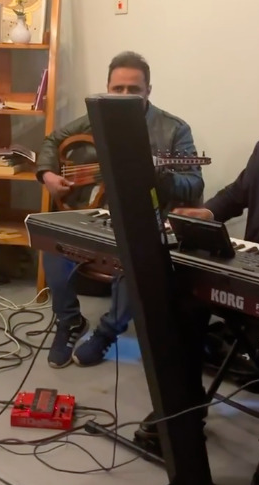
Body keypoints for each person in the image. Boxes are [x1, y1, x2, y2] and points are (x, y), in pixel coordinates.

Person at [36, 51, 205, 368]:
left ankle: (106, 334)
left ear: (148, 91)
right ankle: (70, 322)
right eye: (118, 89)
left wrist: (159, 176)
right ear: (107, 89)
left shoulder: (174, 129)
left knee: (137, 253)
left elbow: (194, 184)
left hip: (146, 222)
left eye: (133, 90)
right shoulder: (93, 119)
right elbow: (52, 139)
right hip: (97, 218)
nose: (125, 96)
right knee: (53, 243)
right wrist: (47, 174)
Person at [136, 138, 259, 485]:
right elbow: (235, 195)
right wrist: (207, 213)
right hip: (254, 277)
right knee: (182, 301)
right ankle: (185, 409)